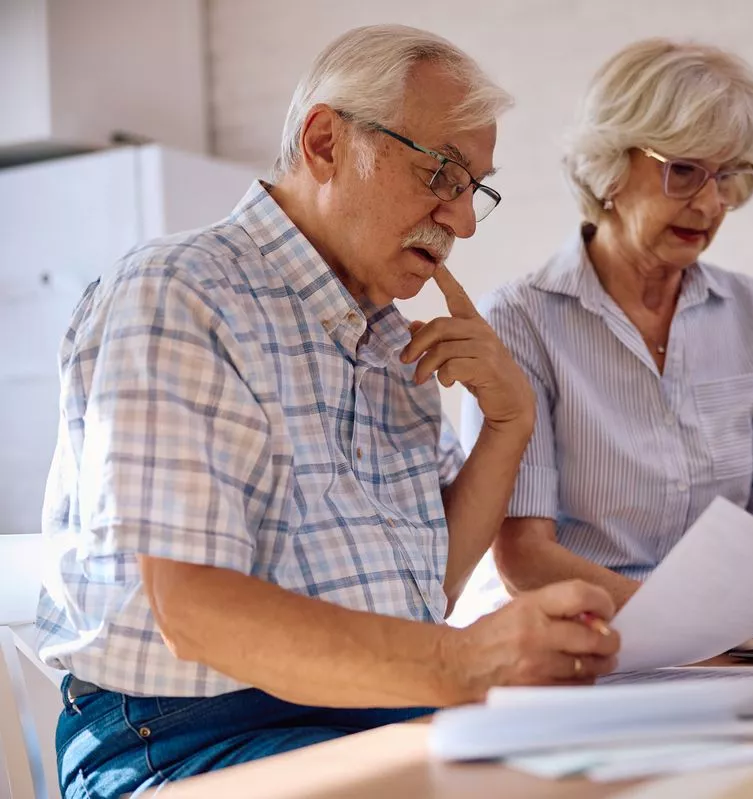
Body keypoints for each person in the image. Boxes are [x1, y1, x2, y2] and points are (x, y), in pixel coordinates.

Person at [36, 25, 618, 799]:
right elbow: (195, 613)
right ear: (324, 142)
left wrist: (509, 426)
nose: (464, 220)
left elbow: (422, 597)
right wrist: (464, 661)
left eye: (474, 186)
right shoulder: (182, 291)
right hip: (181, 735)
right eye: (443, 172)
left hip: (361, 710)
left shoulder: (391, 343)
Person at [461, 39, 753, 614]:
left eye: (729, 177)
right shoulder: (520, 320)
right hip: (580, 643)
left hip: (727, 642)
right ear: (609, 166)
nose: (710, 205)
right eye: (683, 172)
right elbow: (526, 559)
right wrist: (690, 625)